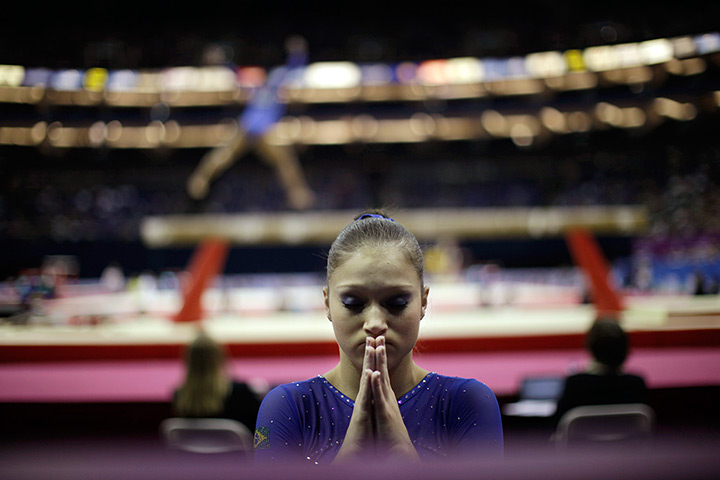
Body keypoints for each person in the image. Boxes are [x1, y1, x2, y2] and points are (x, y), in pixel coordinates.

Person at [253, 211, 503, 464]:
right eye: (353, 303)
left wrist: (403, 453)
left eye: (396, 302)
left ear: (423, 301)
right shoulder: (285, 407)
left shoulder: (469, 402)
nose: (374, 324)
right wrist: (349, 455)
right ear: (327, 303)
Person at [186, 35, 315, 210]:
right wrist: (218, 60)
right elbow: (232, 71)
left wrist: (298, 53)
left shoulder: (277, 79)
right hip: (249, 127)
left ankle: (298, 193)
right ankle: (200, 179)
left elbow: (293, 68)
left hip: (264, 130)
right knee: (224, 154)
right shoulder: (255, 80)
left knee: (285, 162)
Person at [554, 318, 647, 421]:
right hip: (629, 437)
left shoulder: (576, 384)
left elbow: (557, 422)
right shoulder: (636, 384)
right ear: (625, 350)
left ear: (590, 347)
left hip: (582, 437)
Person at [174, 331, 262, 431]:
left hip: (194, 446)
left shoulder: (180, 396)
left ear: (188, 360)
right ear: (219, 358)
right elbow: (261, 428)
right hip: (234, 446)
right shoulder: (240, 392)